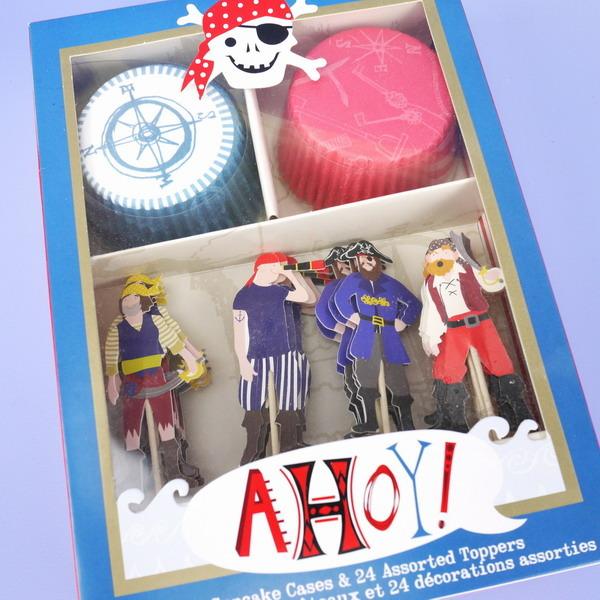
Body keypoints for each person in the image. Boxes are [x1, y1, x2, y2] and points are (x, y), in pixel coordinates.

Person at [419, 237, 534, 432]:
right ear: (429, 259)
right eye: (434, 255)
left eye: (444, 252)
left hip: (481, 323)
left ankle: (517, 411)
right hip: (454, 329)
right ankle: (458, 422)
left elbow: (492, 284)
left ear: (455, 253)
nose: (439, 258)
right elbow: (431, 311)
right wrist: (431, 335)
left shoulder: (469, 270)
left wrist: (493, 276)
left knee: (499, 363)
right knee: (451, 370)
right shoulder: (430, 284)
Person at [105, 283, 201, 486]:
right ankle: (137, 484)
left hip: (157, 377)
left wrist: (189, 359)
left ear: (142, 301)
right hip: (132, 382)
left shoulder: (156, 320)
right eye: (125, 298)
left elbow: (173, 342)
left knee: (166, 426)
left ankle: (174, 475)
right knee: (132, 432)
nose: (128, 301)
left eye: (133, 297)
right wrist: (112, 380)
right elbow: (111, 355)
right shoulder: (116, 327)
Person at [332, 241, 422, 437]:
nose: (366, 262)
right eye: (361, 259)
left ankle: (407, 424)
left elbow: (414, 304)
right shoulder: (353, 280)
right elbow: (340, 299)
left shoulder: (390, 283)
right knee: (365, 377)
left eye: (369, 258)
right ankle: (370, 421)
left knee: (397, 379)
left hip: (389, 333)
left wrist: (403, 320)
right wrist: (351, 315)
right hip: (365, 332)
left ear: (378, 260)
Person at [232, 253, 313, 464]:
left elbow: (306, 297)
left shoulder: (279, 291)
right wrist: (242, 361)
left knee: (289, 400)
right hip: (256, 356)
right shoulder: (243, 296)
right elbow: (239, 332)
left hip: (284, 353)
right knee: (253, 403)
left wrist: (292, 275)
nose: (277, 273)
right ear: (261, 268)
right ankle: (252, 454)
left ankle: (289, 447)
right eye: (274, 268)